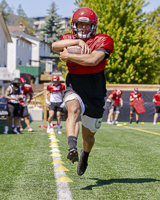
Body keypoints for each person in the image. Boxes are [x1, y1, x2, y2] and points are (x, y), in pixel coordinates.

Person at [51, 7, 114, 176]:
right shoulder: (69, 38)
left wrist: (69, 56)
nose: (83, 28)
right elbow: (55, 45)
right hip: (75, 84)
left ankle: (85, 154)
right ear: (74, 24)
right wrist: (77, 42)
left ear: (93, 26)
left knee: (88, 137)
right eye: (80, 24)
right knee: (73, 110)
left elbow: (93, 60)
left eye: (87, 25)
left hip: (95, 88)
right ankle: (72, 147)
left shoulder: (103, 39)